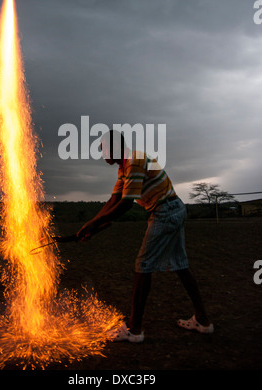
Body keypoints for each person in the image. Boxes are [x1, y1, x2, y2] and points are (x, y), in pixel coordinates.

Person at [76, 130, 213, 342]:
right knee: (180, 264)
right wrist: (92, 225)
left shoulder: (134, 162)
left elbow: (125, 204)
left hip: (165, 212)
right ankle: (203, 321)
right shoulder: (124, 167)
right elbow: (113, 200)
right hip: (173, 209)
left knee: (143, 265)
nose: (101, 153)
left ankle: (134, 330)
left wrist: (93, 224)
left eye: (103, 148)